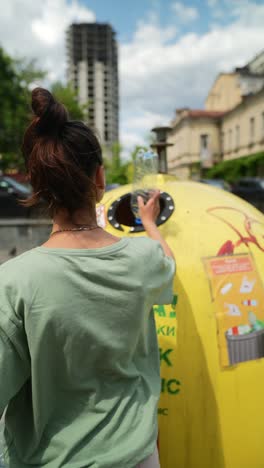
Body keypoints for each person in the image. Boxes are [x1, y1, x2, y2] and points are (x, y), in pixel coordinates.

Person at [0, 88, 175, 468]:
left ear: (36, 184)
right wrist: (147, 222)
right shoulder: (142, 259)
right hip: (138, 455)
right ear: (99, 177)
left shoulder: (12, 282)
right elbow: (167, 262)